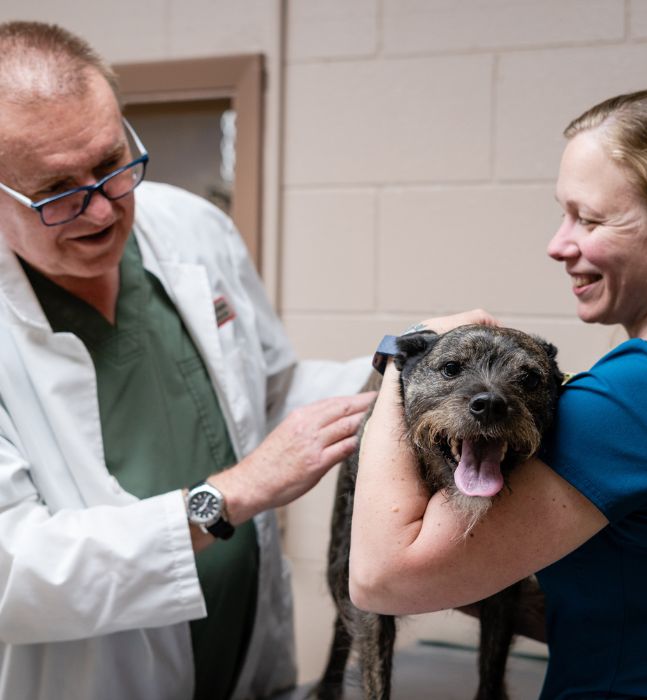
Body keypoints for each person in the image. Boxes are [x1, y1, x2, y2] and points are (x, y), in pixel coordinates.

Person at [0, 21, 374, 700]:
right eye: (59, 190)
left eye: (113, 162)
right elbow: (19, 572)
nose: (103, 208)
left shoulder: (190, 227)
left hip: (243, 656)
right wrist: (230, 497)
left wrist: (397, 373)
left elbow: (270, 395)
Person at [348, 86, 647, 698]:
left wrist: (400, 359)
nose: (558, 244)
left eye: (589, 219)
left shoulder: (643, 393)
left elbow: (381, 580)